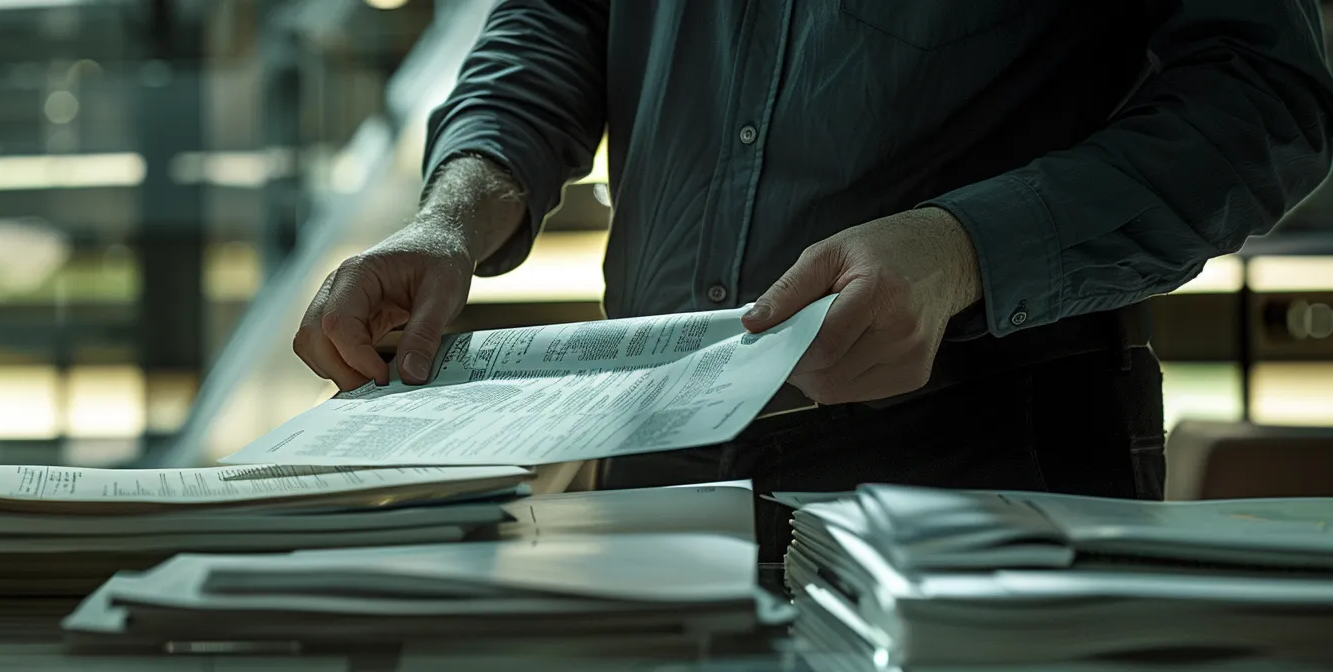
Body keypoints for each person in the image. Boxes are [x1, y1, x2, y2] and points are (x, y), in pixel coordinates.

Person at [291, 1, 1333, 558]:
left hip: (985, 461)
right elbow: (558, 20)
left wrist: (963, 247)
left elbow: (1264, 99)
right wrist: (451, 217)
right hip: (656, 469)